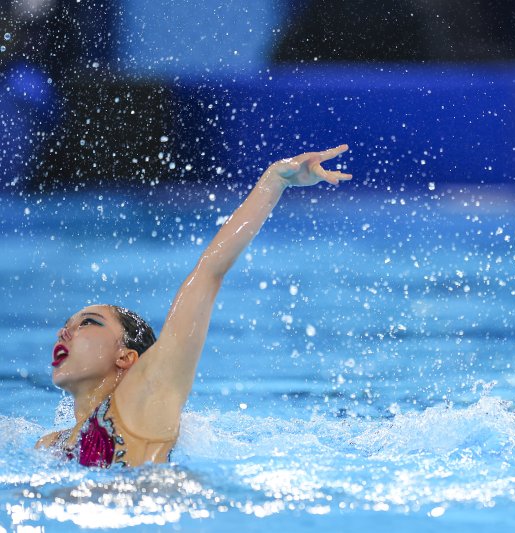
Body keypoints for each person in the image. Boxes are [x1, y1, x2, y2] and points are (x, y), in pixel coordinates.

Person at [36, 145, 352, 466]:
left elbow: (208, 273)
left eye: (87, 323)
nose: (65, 331)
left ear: (127, 357)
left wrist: (274, 180)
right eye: (69, 324)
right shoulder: (50, 444)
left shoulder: (145, 396)